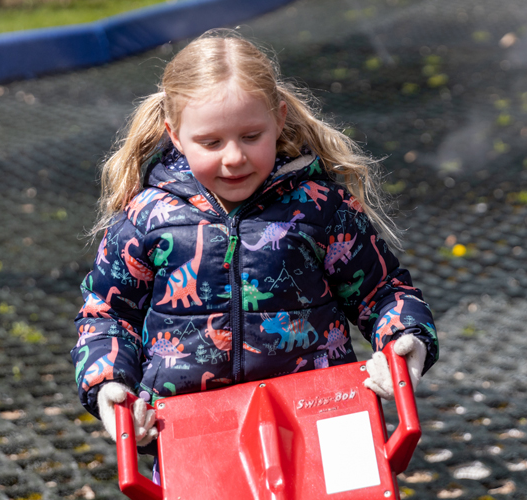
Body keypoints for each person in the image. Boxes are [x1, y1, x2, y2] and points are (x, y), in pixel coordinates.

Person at [70, 29, 438, 480]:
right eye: (211, 142)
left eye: (250, 135)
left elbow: (381, 291)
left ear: (279, 119)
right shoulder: (147, 218)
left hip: (324, 412)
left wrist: (404, 342)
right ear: (176, 135)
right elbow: (107, 315)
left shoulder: (320, 207)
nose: (234, 158)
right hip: (195, 429)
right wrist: (110, 384)